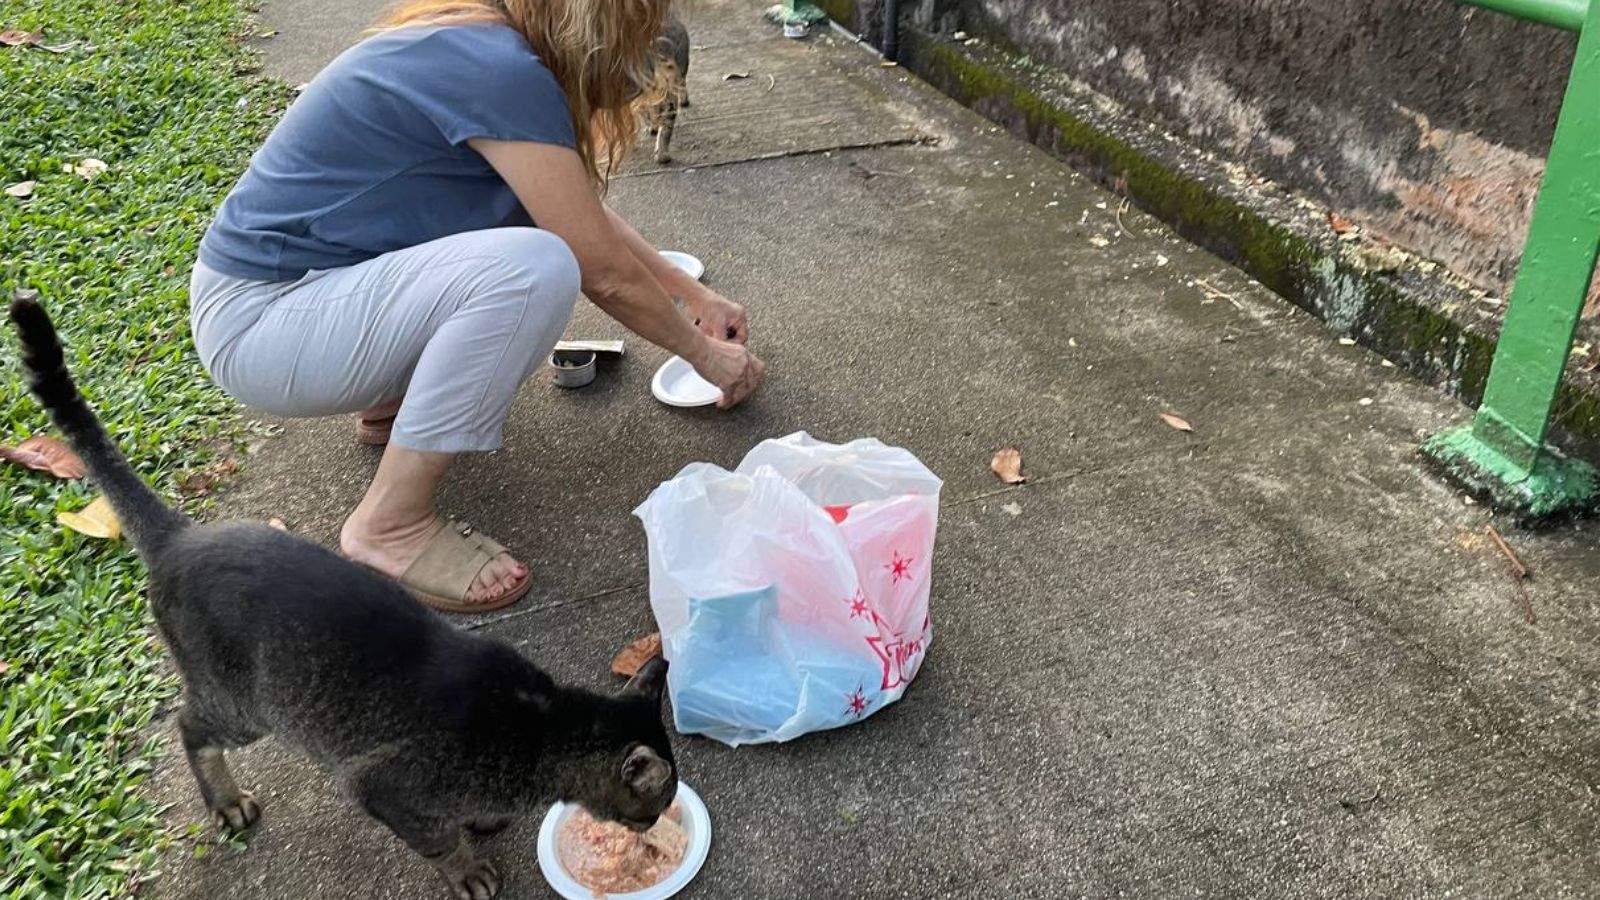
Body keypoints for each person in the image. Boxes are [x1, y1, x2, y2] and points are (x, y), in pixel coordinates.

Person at [188, 0, 764, 613]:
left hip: (298, 307)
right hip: (265, 326)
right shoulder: (501, 70)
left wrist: (692, 294)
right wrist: (706, 356)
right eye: (638, 37)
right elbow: (600, 268)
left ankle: (392, 407)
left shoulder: (485, 43)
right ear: (600, 31)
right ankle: (390, 524)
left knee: (528, 252)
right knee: (531, 270)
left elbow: (575, 211)